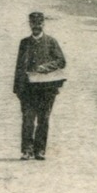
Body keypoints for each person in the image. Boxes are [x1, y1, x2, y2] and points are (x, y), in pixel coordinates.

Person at [13, 11, 66, 159]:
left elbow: (61, 61)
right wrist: (17, 89)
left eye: (39, 24)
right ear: (29, 24)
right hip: (28, 89)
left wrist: (46, 67)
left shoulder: (51, 42)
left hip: (47, 89)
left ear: (43, 24)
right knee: (28, 119)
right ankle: (27, 150)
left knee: (43, 119)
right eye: (33, 24)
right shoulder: (24, 43)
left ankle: (40, 150)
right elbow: (19, 67)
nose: (36, 27)